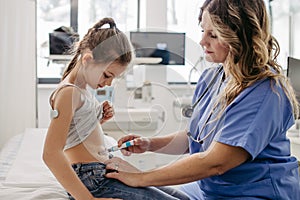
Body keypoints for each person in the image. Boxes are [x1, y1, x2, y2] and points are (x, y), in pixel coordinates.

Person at [105, 1, 300, 199]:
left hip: (253, 193)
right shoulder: (212, 77)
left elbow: (216, 162)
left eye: (213, 35)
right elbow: (195, 138)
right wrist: (150, 143)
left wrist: (140, 177)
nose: (202, 41)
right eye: (203, 31)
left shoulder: (265, 90)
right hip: (212, 190)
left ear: (240, 37)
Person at [43, 17, 189, 200]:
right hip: (91, 180)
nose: (109, 83)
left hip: (103, 171)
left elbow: (75, 133)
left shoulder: (82, 90)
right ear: (88, 59)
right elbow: (50, 153)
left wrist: (96, 120)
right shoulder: (68, 93)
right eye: (107, 75)